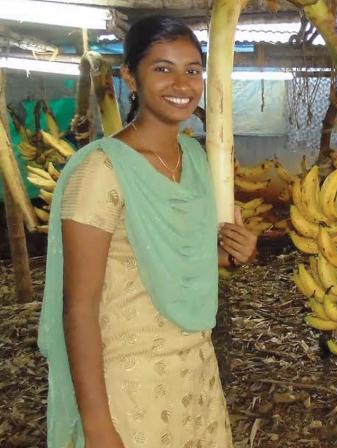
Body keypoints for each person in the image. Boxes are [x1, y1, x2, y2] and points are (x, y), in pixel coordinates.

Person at [38, 16, 257, 448]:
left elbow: (177, 256)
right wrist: (99, 427)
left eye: (192, 70)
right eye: (162, 68)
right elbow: (79, 308)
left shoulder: (198, 160)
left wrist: (233, 251)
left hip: (196, 375)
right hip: (128, 387)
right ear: (129, 78)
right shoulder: (99, 172)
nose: (182, 82)